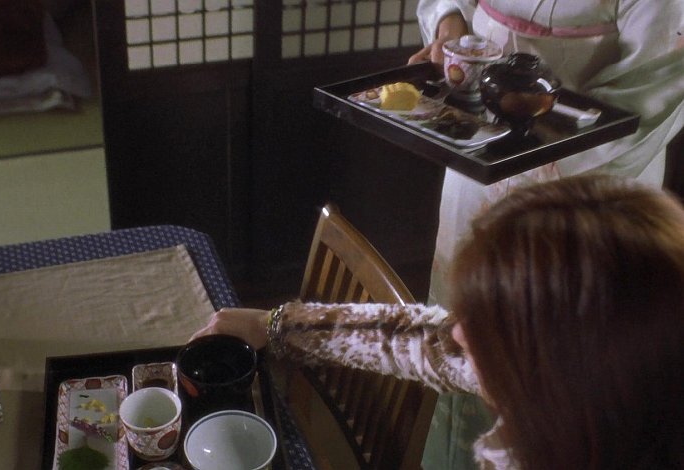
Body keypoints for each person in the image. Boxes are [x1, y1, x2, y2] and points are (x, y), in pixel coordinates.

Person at [191, 175, 684, 469]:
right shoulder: (586, 388)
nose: (460, 332)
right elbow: (422, 340)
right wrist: (276, 325)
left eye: (491, 324)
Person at [406, 1, 684, 467]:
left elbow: (655, 82)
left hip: (585, 192)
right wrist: (450, 25)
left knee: (550, 363)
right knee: (461, 333)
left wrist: (526, 141)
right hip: (478, 150)